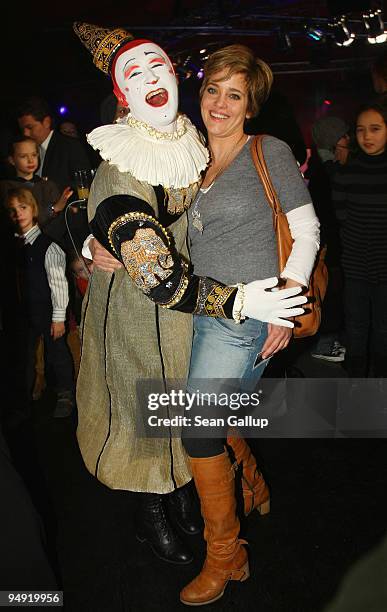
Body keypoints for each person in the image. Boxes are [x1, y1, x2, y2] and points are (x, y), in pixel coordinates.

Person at [73, 22, 307, 569]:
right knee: (144, 414)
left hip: (189, 317)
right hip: (138, 313)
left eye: (159, 66)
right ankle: (150, 516)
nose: (152, 79)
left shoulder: (193, 142)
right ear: (121, 94)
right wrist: (89, 240)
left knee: (190, 415)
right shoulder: (122, 162)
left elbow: (294, 226)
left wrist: (285, 301)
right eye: (136, 73)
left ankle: (196, 498)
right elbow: (148, 266)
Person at [174, 44, 319, 606]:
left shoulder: (269, 151)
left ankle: (226, 556)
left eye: (235, 94)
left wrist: (285, 304)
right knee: (218, 419)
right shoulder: (186, 159)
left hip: (248, 319)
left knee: (197, 428)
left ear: (250, 105)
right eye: (213, 89)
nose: (220, 102)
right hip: (200, 312)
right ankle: (252, 482)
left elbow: (306, 234)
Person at [5, 187, 75, 418]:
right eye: (13, 210)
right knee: (24, 356)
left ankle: (65, 394)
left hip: (47, 310)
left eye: (22, 208)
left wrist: (58, 317)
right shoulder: (13, 247)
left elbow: (58, 285)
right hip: (23, 313)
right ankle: (24, 398)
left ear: (33, 210)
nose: (18, 214)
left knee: (57, 353)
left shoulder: (49, 247)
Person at [332, 98, 387, 378]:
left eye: (375, 128)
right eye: (361, 129)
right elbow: (341, 216)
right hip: (355, 265)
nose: (367, 136)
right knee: (355, 325)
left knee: (383, 327)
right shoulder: (347, 171)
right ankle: (356, 384)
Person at [307, 116, 350, 362]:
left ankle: (327, 340)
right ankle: (325, 343)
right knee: (329, 288)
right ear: (333, 141)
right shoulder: (328, 171)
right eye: (343, 136)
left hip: (330, 244)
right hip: (329, 244)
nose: (350, 139)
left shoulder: (324, 168)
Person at [0, 136, 73, 236]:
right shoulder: (6, 187)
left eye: (34, 155)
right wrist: (53, 209)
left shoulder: (48, 185)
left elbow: (60, 223)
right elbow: (17, 222)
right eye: (23, 156)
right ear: (12, 160)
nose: (30, 160)